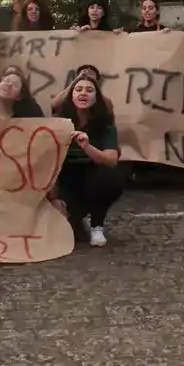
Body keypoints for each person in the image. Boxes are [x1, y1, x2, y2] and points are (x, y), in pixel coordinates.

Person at [52, 73, 123, 247]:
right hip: (66, 179)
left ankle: (96, 226)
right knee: (67, 233)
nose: (83, 93)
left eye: (89, 90)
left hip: (92, 177)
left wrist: (87, 147)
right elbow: (47, 164)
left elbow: (111, 159)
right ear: (71, 95)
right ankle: (74, 218)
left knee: (112, 177)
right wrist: (53, 198)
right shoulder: (58, 123)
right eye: (78, 89)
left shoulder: (105, 126)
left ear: (96, 98)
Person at [49, 64, 116, 115]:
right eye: (83, 73)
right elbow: (54, 105)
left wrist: (93, 83)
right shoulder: (70, 97)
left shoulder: (102, 101)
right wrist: (76, 80)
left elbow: (108, 108)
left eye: (91, 73)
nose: (86, 75)